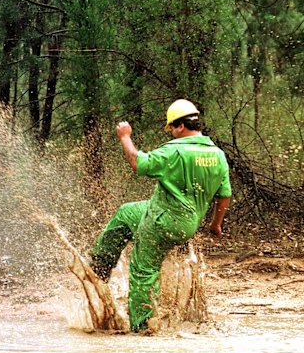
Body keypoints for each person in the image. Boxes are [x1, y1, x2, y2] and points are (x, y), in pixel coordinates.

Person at [91, 99, 232, 331]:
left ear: (179, 126)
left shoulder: (174, 151)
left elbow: (137, 162)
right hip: (185, 222)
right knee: (126, 213)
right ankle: (100, 267)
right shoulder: (217, 154)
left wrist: (125, 137)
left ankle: (143, 327)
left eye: (172, 129)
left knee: (143, 270)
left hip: (162, 221)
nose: (172, 134)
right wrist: (216, 224)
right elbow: (224, 195)